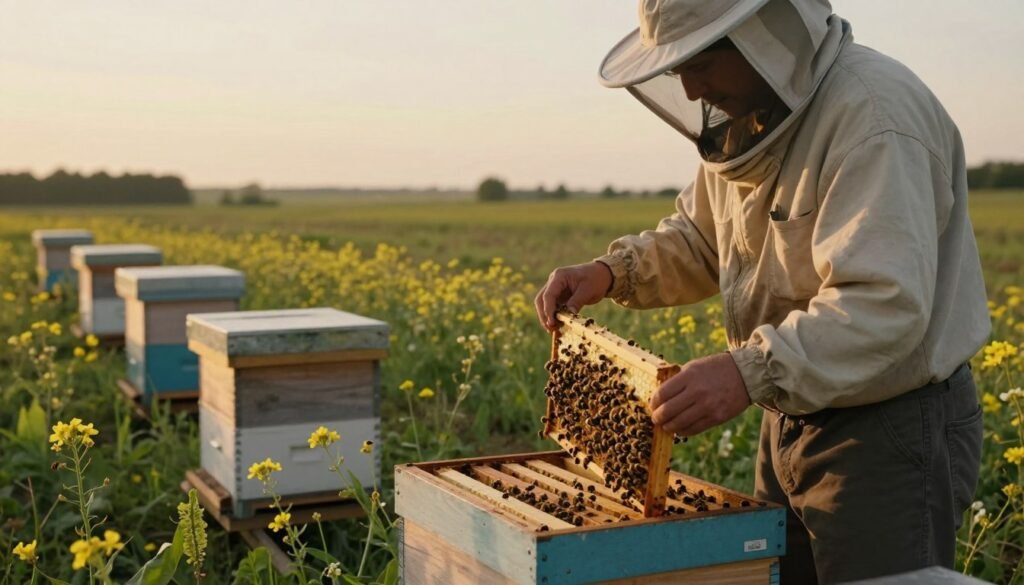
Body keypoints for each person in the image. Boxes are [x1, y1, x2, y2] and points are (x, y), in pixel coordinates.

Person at [533, 0, 990, 583]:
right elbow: (704, 239)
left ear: (763, 35)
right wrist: (612, 271)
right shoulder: (752, 114)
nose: (692, 88)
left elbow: (882, 305)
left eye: (701, 61)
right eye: (677, 69)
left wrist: (746, 371)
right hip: (789, 415)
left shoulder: (875, 117)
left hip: (885, 433)